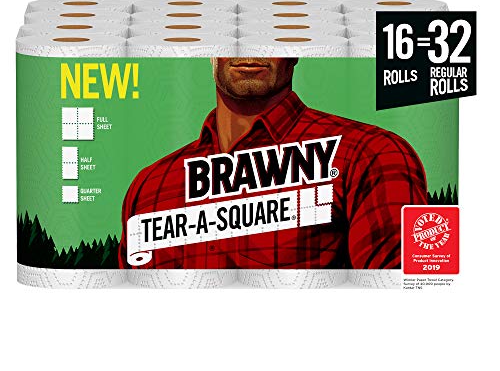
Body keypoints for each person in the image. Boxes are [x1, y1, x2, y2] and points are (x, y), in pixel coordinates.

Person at [119, 57, 427, 270]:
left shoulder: (369, 154)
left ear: (296, 49)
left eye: (269, 32)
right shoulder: (150, 186)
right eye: (231, 33)